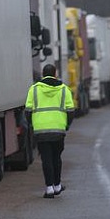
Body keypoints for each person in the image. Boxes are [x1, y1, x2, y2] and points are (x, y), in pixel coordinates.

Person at [25, 64, 74, 199]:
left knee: (46, 159)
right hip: (58, 130)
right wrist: (66, 125)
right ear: (55, 73)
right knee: (56, 157)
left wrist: (33, 124)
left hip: (41, 130)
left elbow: (28, 111)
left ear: (43, 73)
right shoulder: (64, 89)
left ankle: (49, 188)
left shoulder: (34, 90)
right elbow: (70, 111)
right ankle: (57, 185)